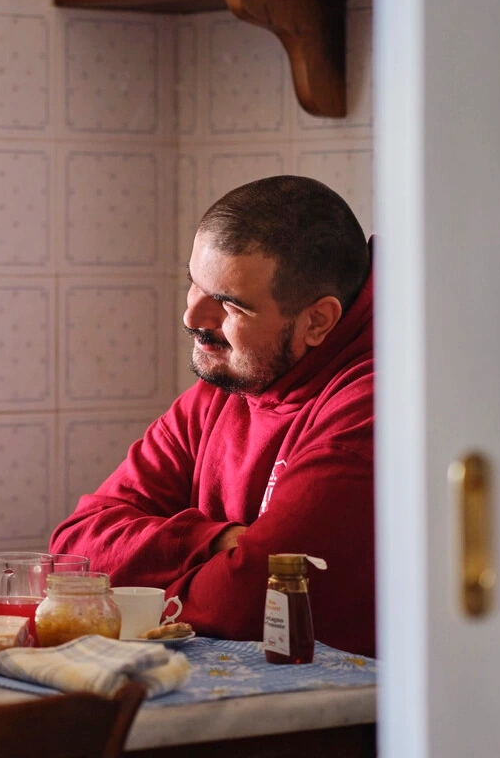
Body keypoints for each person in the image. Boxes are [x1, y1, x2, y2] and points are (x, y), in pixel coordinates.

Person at [50, 175, 376, 656]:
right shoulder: (225, 386)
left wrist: (134, 585)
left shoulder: (373, 406)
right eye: (194, 286)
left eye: (229, 304)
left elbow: (249, 607)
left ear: (317, 321)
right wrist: (215, 541)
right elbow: (73, 552)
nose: (192, 317)